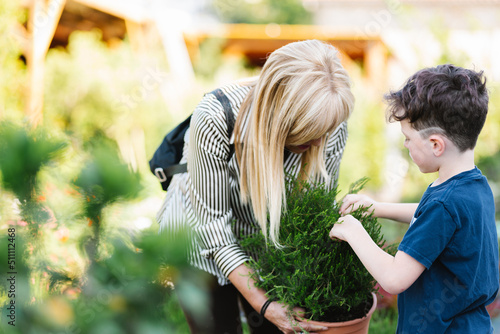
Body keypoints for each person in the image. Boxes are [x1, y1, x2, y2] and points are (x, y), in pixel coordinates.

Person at [157, 39, 355, 333]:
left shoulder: (329, 121)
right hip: (199, 242)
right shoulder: (215, 115)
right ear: (279, 114)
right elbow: (212, 228)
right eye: (307, 132)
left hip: (265, 242)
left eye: (324, 131)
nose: (318, 142)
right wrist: (264, 305)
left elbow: (313, 212)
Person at [329, 64, 499, 333]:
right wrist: (378, 207)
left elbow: (395, 278)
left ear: (435, 144)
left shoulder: (444, 205)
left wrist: (354, 232)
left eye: (408, 138)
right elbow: (434, 217)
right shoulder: (474, 185)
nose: (406, 145)